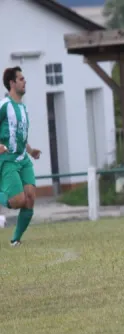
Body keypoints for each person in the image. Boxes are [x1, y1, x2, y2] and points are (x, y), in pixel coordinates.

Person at [0, 67, 41, 247]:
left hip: (23, 159)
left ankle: (15, 239)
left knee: (30, 197)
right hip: (7, 159)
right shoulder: (4, 106)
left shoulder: (23, 108)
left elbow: (20, 136)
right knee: (18, 201)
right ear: (12, 83)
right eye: (21, 79)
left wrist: (31, 151)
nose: (25, 82)